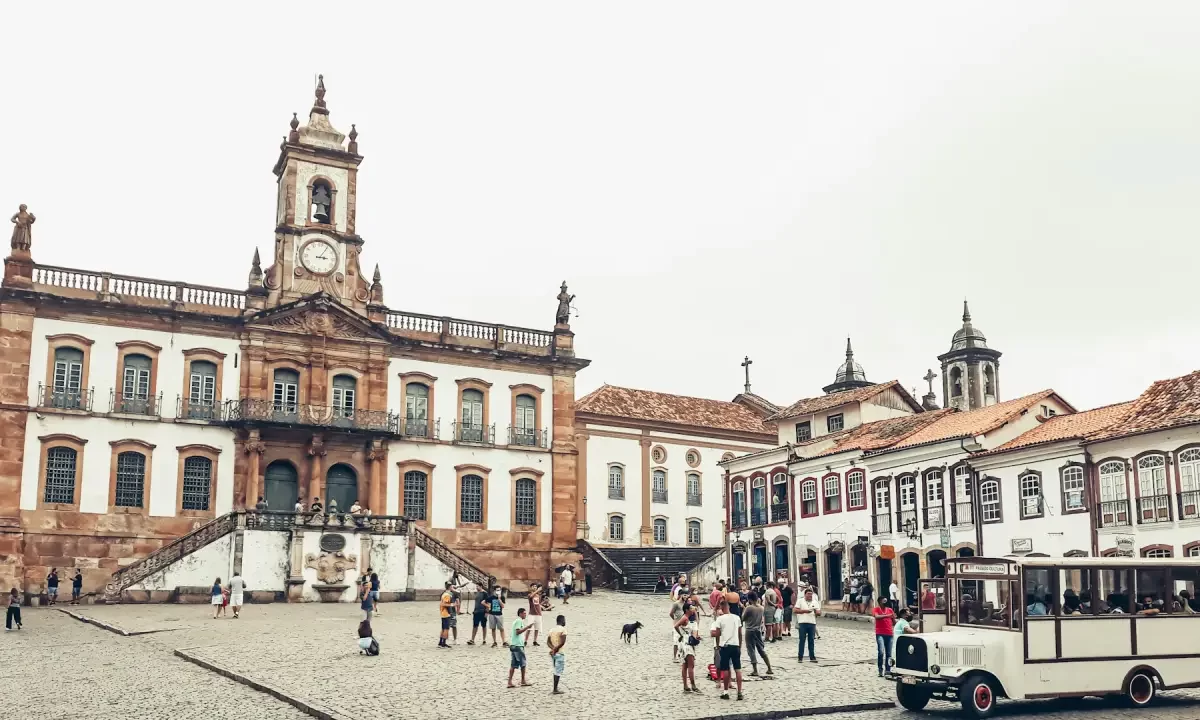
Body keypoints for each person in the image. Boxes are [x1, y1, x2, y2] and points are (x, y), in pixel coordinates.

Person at [710, 600, 744, 701]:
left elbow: (717, 634)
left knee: (725, 669)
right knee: (738, 669)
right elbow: (740, 633)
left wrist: (717, 645)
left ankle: (725, 692)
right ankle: (739, 692)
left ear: (722, 607)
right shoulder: (737, 618)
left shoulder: (720, 619)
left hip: (725, 646)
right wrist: (740, 645)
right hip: (735, 645)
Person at [742, 591, 772, 677]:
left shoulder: (749, 608)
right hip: (758, 630)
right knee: (761, 649)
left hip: (749, 630)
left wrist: (744, 608)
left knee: (751, 650)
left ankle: (755, 670)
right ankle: (769, 667)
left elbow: (743, 618)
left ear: (749, 599)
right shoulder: (761, 608)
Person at [674, 604, 701, 693]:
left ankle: (685, 685)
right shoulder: (685, 618)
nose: (692, 609)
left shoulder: (687, 618)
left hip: (684, 642)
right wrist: (682, 634)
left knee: (685, 665)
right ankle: (693, 685)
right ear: (686, 610)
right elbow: (676, 625)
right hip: (686, 643)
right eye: (691, 608)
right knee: (690, 664)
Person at [507, 607, 533, 688]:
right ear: (520, 613)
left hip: (513, 645)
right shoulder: (519, 621)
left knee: (513, 665)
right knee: (523, 664)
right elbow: (517, 632)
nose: (525, 614)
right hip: (518, 645)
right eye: (524, 613)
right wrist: (527, 627)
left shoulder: (516, 621)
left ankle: (510, 681)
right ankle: (523, 680)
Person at [794, 586, 820, 662]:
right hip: (802, 622)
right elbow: (795, 610)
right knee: (802, 640)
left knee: (811, 640)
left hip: (812, 623)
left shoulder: (815, 602)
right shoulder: (800, 601)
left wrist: (817, 612)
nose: (810, 596)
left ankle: (812, 656)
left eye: (811, 594)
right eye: (808, 594)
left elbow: (818, 612)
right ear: (805, 595)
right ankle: (800, 657)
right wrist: (805, 611)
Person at [873, 597, 896, 677]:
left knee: (889, 654)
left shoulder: (890, 610)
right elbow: (876, 616)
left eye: (886, 600)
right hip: (880, 633)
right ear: (879, 601)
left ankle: (888, 670)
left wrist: (893, 619)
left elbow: (894, 622)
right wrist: (888, 615)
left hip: (889, 633)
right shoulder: (876, 609)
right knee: (881, 652)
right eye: (883, 600)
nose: (885, 602)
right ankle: (880, 669)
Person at [547, 614, 568, 694]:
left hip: (553, 654)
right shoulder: (563, 630)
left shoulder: (552, 630)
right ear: (562, 621)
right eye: (564, 620)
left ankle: (555, 688)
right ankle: (555, 689)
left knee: (556, 669)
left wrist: (552, 648)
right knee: (558, 671)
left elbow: (548, 642)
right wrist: (556, 649)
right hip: (559, 653)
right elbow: (562, 642)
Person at [669, 593, 686, 662]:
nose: (686, 596)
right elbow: (671, 613)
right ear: (681, 595)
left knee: (684, 641)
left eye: (686, 595)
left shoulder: (686, 604)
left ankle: (682, 655)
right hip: (677, 624)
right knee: (676, 641)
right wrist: (675, 620)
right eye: (684, 595)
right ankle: (674, 657)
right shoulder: (676, 604)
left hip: (684, 625)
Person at [438, 582, 454, 648]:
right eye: (452, 587)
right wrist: (452, 605)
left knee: (443, 628)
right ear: (450, 587)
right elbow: (444, 604)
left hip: (442, 613)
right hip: (446, 613)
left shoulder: (444, 594)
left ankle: (440, 642)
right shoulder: (447, 595)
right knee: (446, 629)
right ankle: (443, 643)